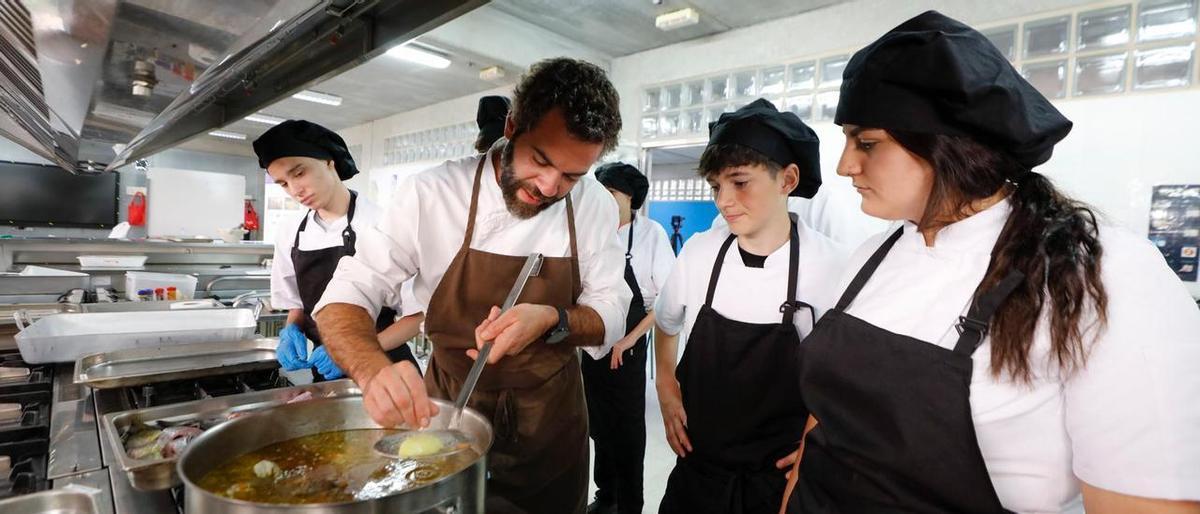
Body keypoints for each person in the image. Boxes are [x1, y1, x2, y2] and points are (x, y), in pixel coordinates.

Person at [786, 11, 1200, 513]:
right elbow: (831, 413)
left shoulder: (1096, 275)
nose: (845, 165)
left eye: (866, 143)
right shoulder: (873, 256)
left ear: (946, 146)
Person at [313, 57, 631, 514]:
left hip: (550, 417)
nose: (548, 186)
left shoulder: (594, 205)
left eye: (571, 176)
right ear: (512, 125)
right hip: (447, 409)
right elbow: (348, 292)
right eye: (540, 160)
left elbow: (613, 309)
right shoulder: (433, 194)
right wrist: (371, 369)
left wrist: (551, 319)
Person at [653, 99, 849, 514]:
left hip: (775, 484)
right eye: (715, 186)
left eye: (740, 182)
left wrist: (819, 441)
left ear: (788, 180)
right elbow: (666, 323)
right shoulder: (699, 253)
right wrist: (665, 385)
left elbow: (840, 377)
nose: (724, 200)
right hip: (697, 473)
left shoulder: (833, 267)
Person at [256, 119, 420, 382]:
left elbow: (416, 317)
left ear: (329, 162)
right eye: (283, 184)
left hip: (385, 366)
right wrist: (291, 330)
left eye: (299, 173)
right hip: (326, 369)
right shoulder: (291, 232)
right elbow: (297, 304)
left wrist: (351, 352)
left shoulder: (381, 223)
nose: (295, 190)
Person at [584, 161, 674, 514]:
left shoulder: (651, 235)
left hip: (628, 349)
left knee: (628, 432)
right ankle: (605, 496)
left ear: (630, 198)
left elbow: (664, 303)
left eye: (611, 194)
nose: (603, 202)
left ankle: (629, 505)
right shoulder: (593, 233)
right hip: (593, 349)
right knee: (598, 427)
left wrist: (628, 339)